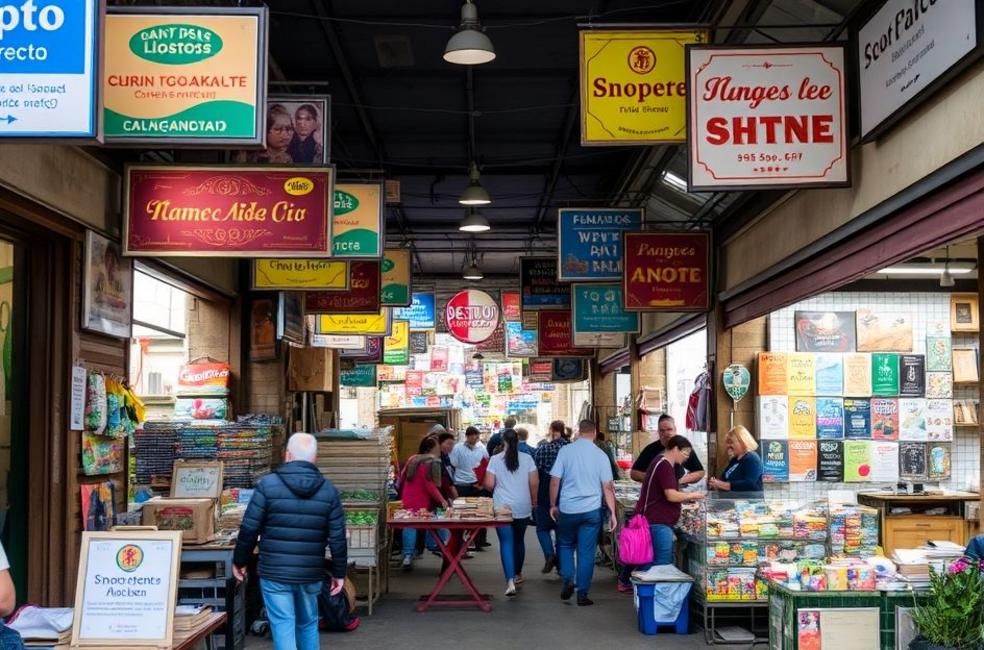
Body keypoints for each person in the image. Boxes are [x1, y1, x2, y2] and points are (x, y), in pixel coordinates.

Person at [234, 433, 346, 650]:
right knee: (308, 623)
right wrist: (339, 573)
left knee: (283, 623)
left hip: (275, 572)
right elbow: (338, 538)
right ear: (315, 458)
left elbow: (249, 528)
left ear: (287, 455)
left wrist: (240, 560)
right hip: (310, 572)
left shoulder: (267, 485)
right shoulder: (329, 491)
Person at [617, 436, 706, 592]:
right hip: (658, 522)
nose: (686, 457)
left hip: (654, 519)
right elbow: (670, 495)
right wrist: (692, 496)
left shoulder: (659, 462)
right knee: (662, 563)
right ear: (675, 449)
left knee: (649, 560)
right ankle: (656, 599)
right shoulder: (665, 466)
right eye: (685, 453)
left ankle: (637, 589)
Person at [549, 420, 617, 607]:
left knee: (565, 545)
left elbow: (555, 481)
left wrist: (553, 505)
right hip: (591, 511)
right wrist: (612, 513)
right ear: (594, 433)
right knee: (586, 552)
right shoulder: (601, 455)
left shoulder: (566, 451)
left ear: (579, 432)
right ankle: (582, 594)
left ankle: (568, 578)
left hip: (568, 509)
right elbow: (608, 488)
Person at [484, 429, 538, 597]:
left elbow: (489, 484)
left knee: (506, 542)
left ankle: (509, 581)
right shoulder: (528, 459)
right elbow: (534, 482)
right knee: (519, 540)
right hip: (523, 505)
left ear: (503, 441)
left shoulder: (495, 459)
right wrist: (534, 501)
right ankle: (518, 574)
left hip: (502, 507)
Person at [399, 437, 449, 570]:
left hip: (407, 498)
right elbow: (430, 485)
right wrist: (442, 499)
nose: (439, 449)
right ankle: (440, 546)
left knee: (409, 525)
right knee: (436, 522)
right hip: (421, 499)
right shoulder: (429, 462)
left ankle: (408, 556)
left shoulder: (412, 459)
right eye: (437, 446)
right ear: (431, 448)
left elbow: (401, 478)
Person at [630, 414, 705, 486]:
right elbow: (634, 473)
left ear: (675, 430)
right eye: (662, 431)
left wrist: (680, 481)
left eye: (669, 429)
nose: (666, 433)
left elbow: (700, 472)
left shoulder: (684, 447)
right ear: (658, 432)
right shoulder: (650, 449)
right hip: (656, 489)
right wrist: (655, 479)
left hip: (679, 488)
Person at [533, 420, 568, 573]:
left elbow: (536, 472)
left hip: (544, 490)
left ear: (551, 430)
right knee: (562, 529)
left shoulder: (542, 449)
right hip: (566, 490)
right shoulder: (570, 448)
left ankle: (549, 555)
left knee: (542, 528)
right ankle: (561, 565)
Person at [451, 426, 491, 549]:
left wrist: (482, 483)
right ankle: (463, 541)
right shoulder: (457, 448)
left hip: (477, 484)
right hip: (461, 484)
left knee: (479, 513)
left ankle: (479, 540)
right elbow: (454, 463)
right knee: (463, 513)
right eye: (473, 436)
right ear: (467, 436)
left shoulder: (482, 448)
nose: (476, 439)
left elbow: (486, 465)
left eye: (477, 436)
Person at [708, 425, 765, 493]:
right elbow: (724, 479)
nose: (728, 446)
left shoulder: (752, 459)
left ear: (742, 441)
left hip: (748, 502)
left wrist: (722, 485)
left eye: (731, 442)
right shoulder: (734, 460)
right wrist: (715, 483)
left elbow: (750, 484)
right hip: (732, 501)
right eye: (727, 443)